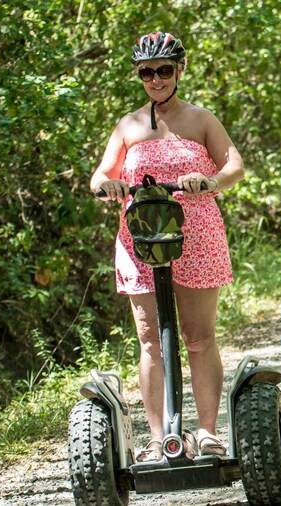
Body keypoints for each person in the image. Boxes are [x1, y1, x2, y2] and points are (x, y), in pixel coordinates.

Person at [90, 32, 244, 462]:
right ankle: (158, 439)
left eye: (163, 70)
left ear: (179, 70)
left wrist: (210, 181)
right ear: (139, 75)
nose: (154, 79)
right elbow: (100, 174)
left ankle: (207, 433)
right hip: (140, 236)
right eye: (146, 72)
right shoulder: (129, 124)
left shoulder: (200, 119)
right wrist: (110, 184)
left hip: (196, 232)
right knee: (149, 340)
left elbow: (234, 165)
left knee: (198, 338)